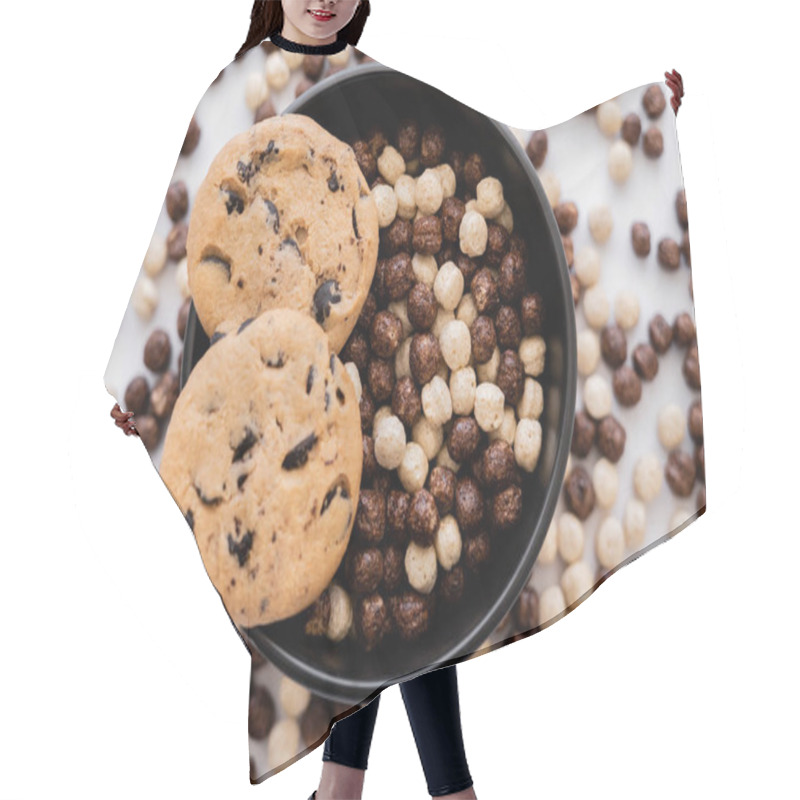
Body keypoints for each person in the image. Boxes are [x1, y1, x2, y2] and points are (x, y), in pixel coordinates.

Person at [112, 3, 478, 798]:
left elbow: (496, 141)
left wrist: (644, 107)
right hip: (280, 395)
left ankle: (365, 787)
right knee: (366, 589)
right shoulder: (237, 84)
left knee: (400, 591)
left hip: (379, 369)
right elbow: (188, 235)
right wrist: (140, 393)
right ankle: (403, 788)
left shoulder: (376, 76)